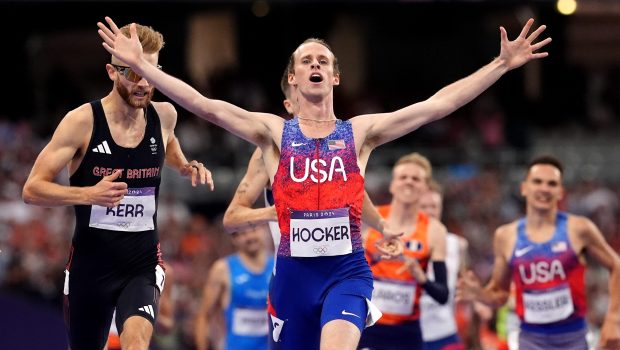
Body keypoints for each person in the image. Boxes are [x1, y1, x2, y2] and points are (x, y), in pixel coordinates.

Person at [98, 17, 550, 349]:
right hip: (292, 278)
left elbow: (436, 106)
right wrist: (143, 65)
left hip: (346, 272)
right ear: (293, 79)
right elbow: (204, 105)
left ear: (334, 76)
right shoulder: (274, 133)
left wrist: (500, 65)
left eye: (324, 60)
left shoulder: (360, 132)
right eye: (305, 60)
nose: (315, 64)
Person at [22, 23, 213, 350]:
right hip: (89, 269)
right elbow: (32, 189)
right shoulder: (82, 121)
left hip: (141, 265)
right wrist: (87, 194)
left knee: (136, 343)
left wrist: (184, 165)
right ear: (112, 71)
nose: (142, 83)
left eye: (149, 72)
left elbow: (168, 143)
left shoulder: (165, 115)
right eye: (132, 72)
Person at [456, 155, 620, 349]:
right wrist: (479, 294)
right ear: (524, 188)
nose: (544, 189)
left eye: (552, 184)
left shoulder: (578, 229)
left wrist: (613, 319)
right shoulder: (506, 236)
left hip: (572, 338)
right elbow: (500, 294)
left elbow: (616, 264)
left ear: (560, 192)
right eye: (537, 182)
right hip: (530, 339)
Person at [360, 153, 449, 350]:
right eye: (403, 177)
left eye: (416, 178)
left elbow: (443, 295)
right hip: (366, 325)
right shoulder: (369, 219)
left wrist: (421, 277)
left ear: (425, 188)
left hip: (406, 331)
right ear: (392, 184)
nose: (409, 182)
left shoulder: (435, 231)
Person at [194, 224, 274, 350]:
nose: (250, 237)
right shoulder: (222, 269)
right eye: (242, 233)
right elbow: (203, 316)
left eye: (253, 230)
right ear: (234, 239)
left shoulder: (278, 267)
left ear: (263, 231)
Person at [417, 181, 469, 350]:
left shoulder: (458, 244)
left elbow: (464, 283)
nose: (430, 211)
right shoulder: (400, 243)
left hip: (444, 332)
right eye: (424, 206)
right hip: (411, 331)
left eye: (434, 206)